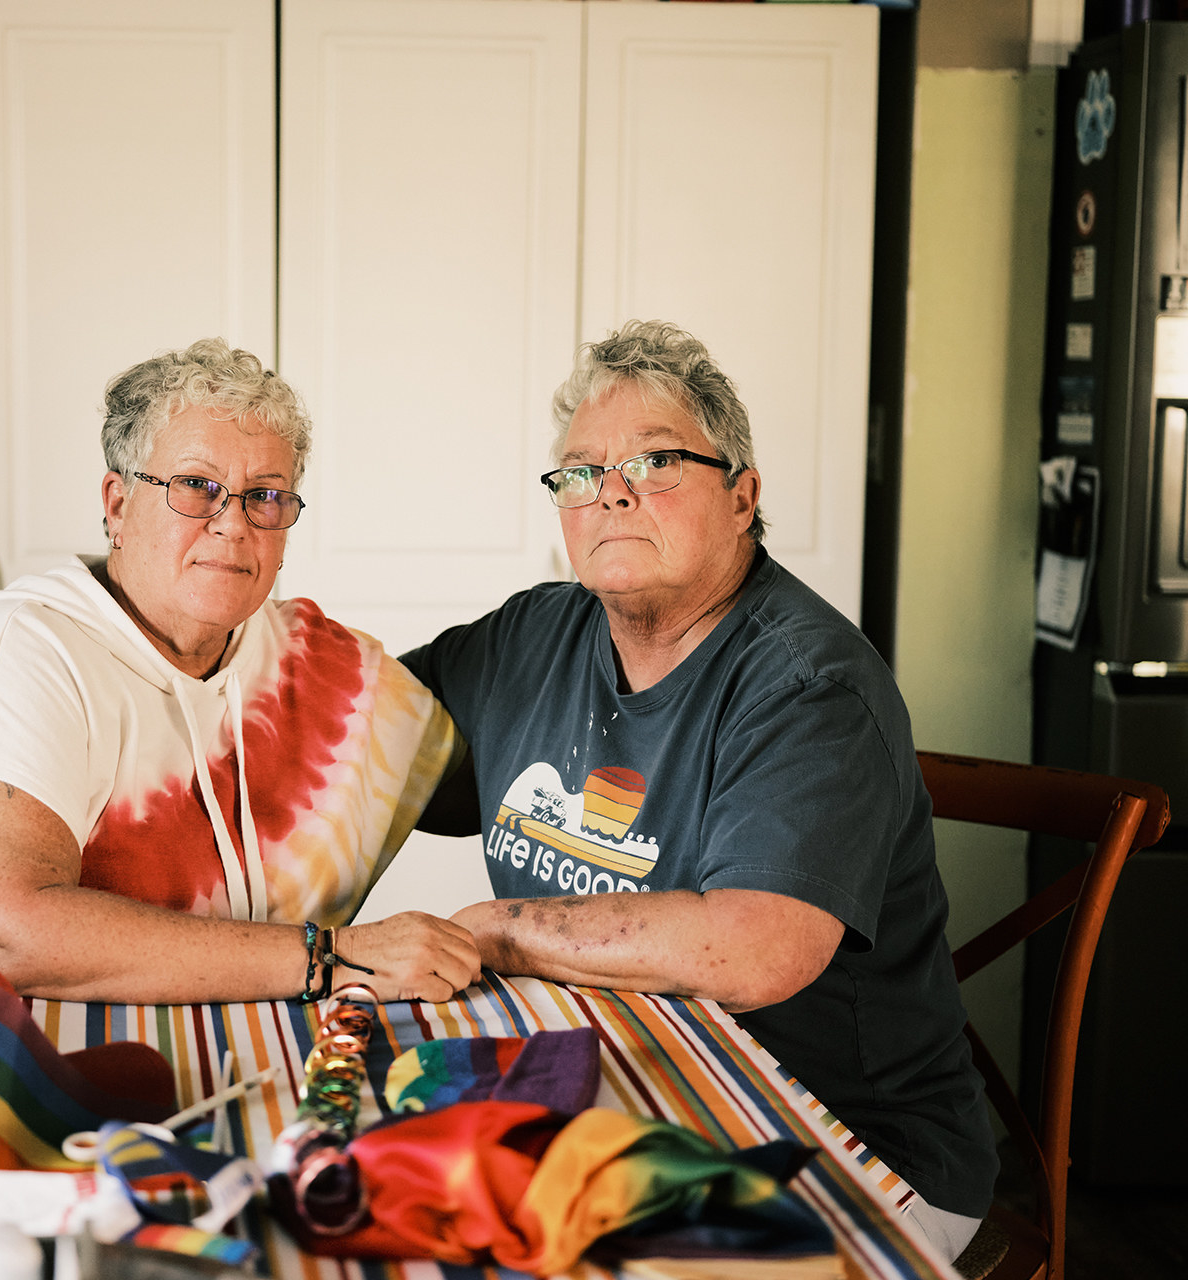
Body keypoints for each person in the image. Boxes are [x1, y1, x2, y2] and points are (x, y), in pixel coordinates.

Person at [402, 320, 997, 1262]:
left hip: (846, 1143)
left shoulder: (809, 684)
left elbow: (758, 946)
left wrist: (497, 929)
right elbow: (348, 738)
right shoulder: (530, 638)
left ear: (742, 495)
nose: (611, 493)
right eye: (579, 471)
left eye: (657, 460)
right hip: (633, 1080)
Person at [0, 338, 480, 1006]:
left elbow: (490, 782)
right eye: (196, 486)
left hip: (263, 1059)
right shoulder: (21, 649)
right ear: (118, 504)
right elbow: (3, 937)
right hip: (9, 1068)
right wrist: (330, 959)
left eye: (266, 496)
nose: (234, 524)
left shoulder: (315, 661)